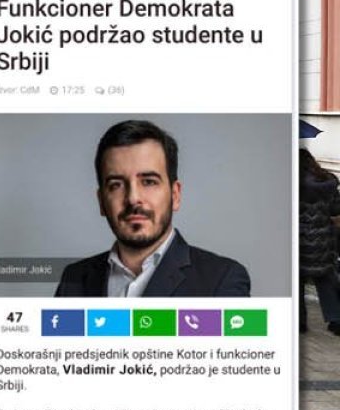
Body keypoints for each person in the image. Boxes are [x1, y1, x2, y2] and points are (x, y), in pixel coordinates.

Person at [54, 120, 251, 297]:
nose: (133, 198)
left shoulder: (222, 280)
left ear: (175, 195)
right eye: (116, 184)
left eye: (148, 182)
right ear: (101, 202)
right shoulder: (73, 280)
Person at [299, 149, 340, 334]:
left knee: (296, 282)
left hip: (299, 243)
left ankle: (299, 322)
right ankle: (336, 320)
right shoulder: (326, 182)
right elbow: (335, 210)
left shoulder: (292, 184)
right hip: (322, 242)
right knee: (325, 281)